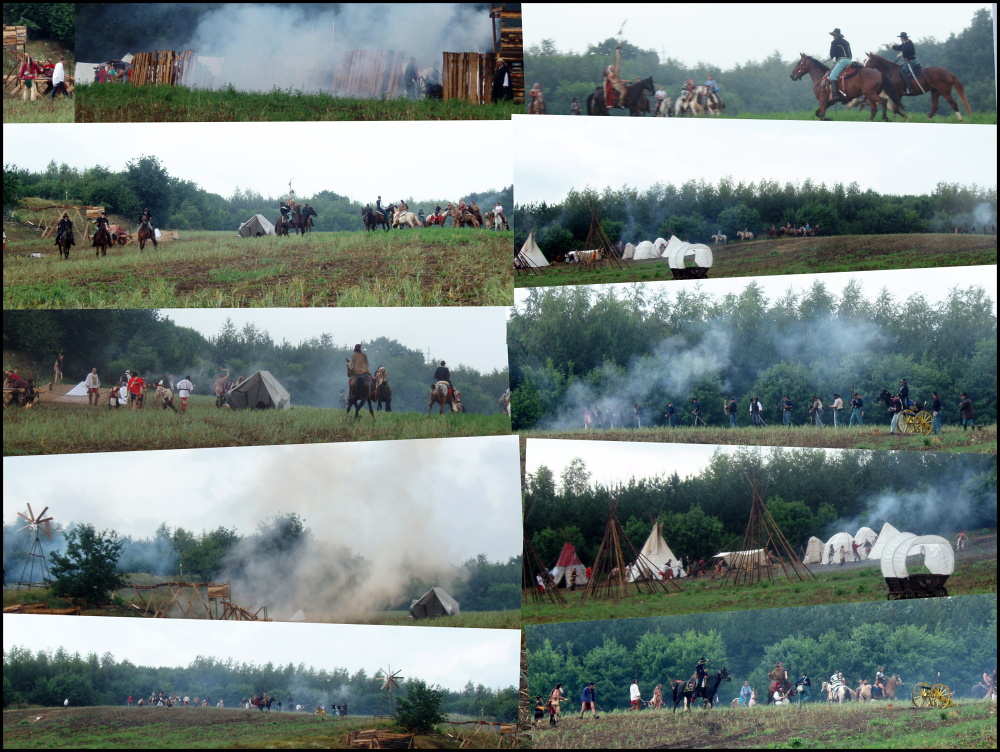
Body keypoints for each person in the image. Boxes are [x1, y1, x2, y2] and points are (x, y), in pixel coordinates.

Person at [827, 28, 854, 101]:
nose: (833, 37)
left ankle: (835, 95)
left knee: (832, 76)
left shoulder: (834, 42)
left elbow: (832, 55)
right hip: (850, 61)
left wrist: (831, 57)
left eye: (833, 35)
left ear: (836, 35)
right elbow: (850, 54)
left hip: (842, 61)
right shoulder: (846, 42)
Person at [604, 45, 629, 109]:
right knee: (623, 91)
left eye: (613, 66)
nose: (613, 66)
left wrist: (625, 81)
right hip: (615, 85)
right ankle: (620, 104)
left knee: (627, 88)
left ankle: (623, 103)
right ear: (610, 68)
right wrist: (617, 52)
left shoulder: (614, 73)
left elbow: (618, 62)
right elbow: (614, 80)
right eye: (612, 66)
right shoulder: (610, 74)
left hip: (617, 84)